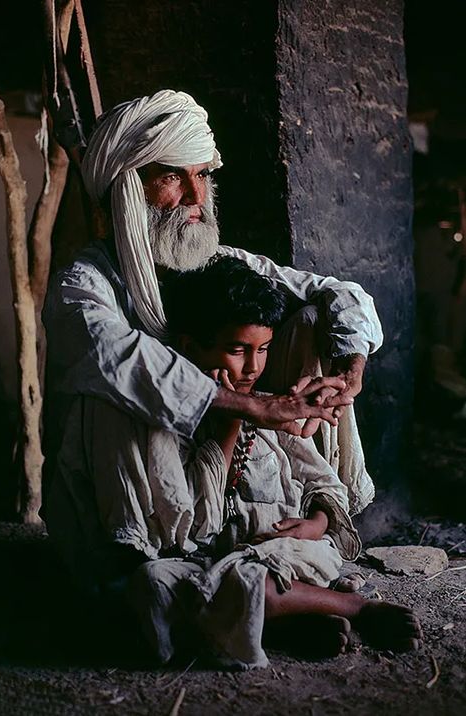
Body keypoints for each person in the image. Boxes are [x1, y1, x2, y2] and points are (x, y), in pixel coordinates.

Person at [41, 89, 381, 612]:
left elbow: (337, 292)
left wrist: (349, 368)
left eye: (204, 175)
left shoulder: (216, 260)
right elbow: (115, 353)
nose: (197, 197)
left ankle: (285, 533)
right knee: (110, 387)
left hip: (231, 463)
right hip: (146, 488)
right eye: (175, 176)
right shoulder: (84, 285)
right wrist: (255, 408)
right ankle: (156, 562)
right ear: (130, 187)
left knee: (320, 319)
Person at [111, 256, 419, 669]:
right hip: (211, 563)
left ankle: (356, 608)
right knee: (155, 584)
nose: (253, 367)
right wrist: (233, 421)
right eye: (238, 350)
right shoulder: (176, 427)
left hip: (286, 554)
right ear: (189, 347)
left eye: (264, 350)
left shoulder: (274, 413)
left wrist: (316, 524)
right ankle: (288, 622)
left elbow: (323, 484)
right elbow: (199, 523)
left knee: (255, 578)